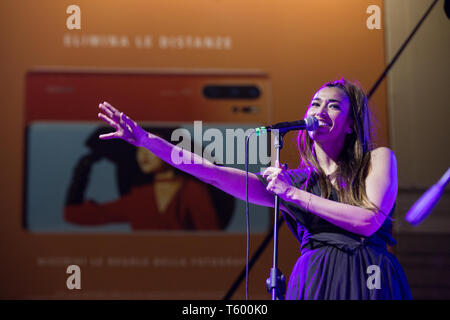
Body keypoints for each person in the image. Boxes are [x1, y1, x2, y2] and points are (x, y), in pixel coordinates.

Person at [97, 78, 412, 299]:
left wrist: (291, 194)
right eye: (315, 103)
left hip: (370, 278)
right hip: (316, 281)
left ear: (351, 124)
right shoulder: (295, 181)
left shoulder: (377, 159)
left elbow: (367, 220)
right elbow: (213, 174)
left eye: (332, 107)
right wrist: (145, 140)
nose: (319, 111)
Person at [64, 127, 234, 230]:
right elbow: (76, 215)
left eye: (151, 147)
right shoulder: (139, 197)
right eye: (139, 148)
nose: (143, 156)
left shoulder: (192, 190)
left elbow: (211, 237)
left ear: (171, 149)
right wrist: (82, 172)